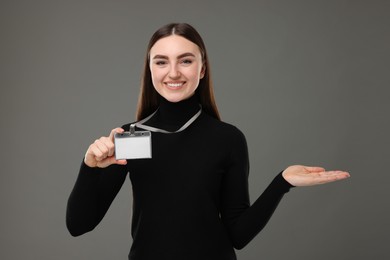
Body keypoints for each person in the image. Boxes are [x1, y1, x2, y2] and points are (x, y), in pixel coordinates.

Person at [66, 23, 350, 260]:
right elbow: (79, 225)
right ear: (150, 69)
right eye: (161, 61)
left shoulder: (227, 138)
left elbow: (238, 234)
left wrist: (282, 182)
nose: (173, 72)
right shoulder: (129, 137)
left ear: (202, 69)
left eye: (186, 60)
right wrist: (89, 167)